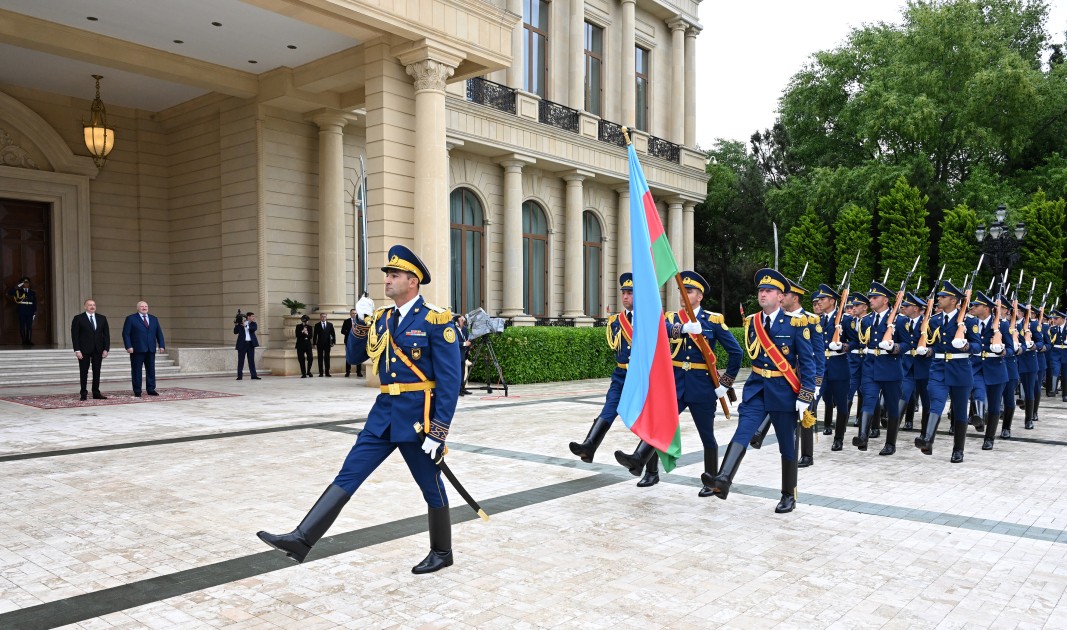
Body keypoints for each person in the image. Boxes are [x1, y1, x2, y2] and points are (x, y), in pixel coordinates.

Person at [257, 245, 461, 574]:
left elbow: (451, 383)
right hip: (383, 416)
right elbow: (354, 357)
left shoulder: (436, 320)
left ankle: (442, 551)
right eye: (387, 275)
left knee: (430, 485)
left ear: (413, 282)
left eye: (394, 275)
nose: (388, 280)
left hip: (417, 421)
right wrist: (360, 321)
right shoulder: (381, 318)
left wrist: (438, 431)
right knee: (349, 473)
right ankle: (302, 537)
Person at [705, 268, 815, 513]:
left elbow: (808, 361)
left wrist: (806, 395)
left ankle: (789, 494)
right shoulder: (752, 322)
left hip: (784, 391)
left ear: (780, 297)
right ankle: (723, 479)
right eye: (761, 291)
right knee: (743, 431)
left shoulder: (796, 324)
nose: (763, 295)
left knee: (787, 445)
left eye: (769, 291)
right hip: (756, 389)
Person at [750, 275, 823, 468]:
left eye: (787, 294)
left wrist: (815, 382)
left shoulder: (809, 319)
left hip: (799, 376)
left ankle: (806, 453)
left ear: (794, 297)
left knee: (804, 415)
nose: (783, 298)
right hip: (781, 377)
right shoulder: (775, 319)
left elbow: (817, 354)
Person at [572, 274, 635, 468]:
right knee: (609, 408)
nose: (625, 297)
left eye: (630, 293)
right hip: (621, 374)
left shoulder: (651, 319)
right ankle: (589, 446)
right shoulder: (616, 321)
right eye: (623, 293)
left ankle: (650, 470)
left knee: (646, 419)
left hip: (641, 377)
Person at [913, 281, 980, 462]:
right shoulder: (934, 321)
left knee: (959, 410)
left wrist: (966, 346)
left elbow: (978, 345)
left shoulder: (968, 321)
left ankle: (958, 450)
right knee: (936, 401)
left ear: (953, 300)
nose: (939, 299)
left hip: (960, 369)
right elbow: (935, 346)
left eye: (943, 297)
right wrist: (927, 351)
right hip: (938, 368)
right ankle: (927, 439)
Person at [853, 280, 910, 455]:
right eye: (870, 297)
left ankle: (890, 444)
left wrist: (895, 348)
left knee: (892, 407)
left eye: (874, 297)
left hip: (890, 368)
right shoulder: (867, 320)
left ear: (885, 300)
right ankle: (863, 436)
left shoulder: (900, 321)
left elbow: (907, 343)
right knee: (868, 400)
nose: (870, 300)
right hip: (870, 366)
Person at [966, 292, 1011, 450]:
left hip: (996, 368)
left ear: (986, 308)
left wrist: (1003, 351)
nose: (973, 308)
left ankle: (989, 438)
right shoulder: (969, 323)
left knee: (993, 406)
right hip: (976, 366)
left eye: (976, 305)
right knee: (976, 389)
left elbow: (1012, 348)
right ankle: (977, 415)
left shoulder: (1002, 325)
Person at [814, 284, 853, 451]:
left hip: (839, 367)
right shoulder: (819, 320)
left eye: (823, 299)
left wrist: (843, 346)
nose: (819, 302)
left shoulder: (845, 319)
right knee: (812, 401)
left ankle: (839, 438)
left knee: (842, 406)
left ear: (832, 301)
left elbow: (857, 341)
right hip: (821, 367)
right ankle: (807, 436)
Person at [121, 301, 166, 397]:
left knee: (151, 370)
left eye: (146, 306)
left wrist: (161, 345)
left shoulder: (154, 319)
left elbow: (159, 333)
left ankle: (151, 389)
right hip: (137, 349)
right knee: (137, 370)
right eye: (142, 306)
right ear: (137, 308)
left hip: (151, 349)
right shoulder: (131, 318)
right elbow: (126, 334)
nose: (144, 308)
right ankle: (137, 390)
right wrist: (128, 346)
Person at [71, 298, 110, 400]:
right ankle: (83, 393)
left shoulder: (102, 318)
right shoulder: (78, 318)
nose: (92, 307)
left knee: (97, 371)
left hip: (98, 349)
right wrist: (77, 350)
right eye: (90, 305)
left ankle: (96, 392)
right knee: (83, 372)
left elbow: (106, 335)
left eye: (94, 305)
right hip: (84, 350)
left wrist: (106, 349)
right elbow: (75, 336)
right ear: (85, 307)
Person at [7, 276, 36, 346]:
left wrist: (35, 311)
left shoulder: (32, 292)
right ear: (22, 284)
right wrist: (17, 286)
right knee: (22, 326)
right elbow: (9, 293)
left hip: (30, 311)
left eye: (27, 283)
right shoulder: (18, 291)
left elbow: (35, 303)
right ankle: (24, 341)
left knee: (29, 326)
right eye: (24, 283)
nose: (26, 284)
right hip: (22, 310)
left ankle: (28, 340)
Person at [234, 312, 260, 380]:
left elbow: (253, 329)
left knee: (251, 360)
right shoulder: (240, 324)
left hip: (251, 344)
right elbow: (235, 332)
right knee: (241, 361)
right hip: (242, 344)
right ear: (248, 317)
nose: (253, 317)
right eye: (252, 316)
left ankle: (254, 375)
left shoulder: (253, 324)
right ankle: (239, 376)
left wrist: (246, 326)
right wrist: (236, 324)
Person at [341, 308, 364, 378]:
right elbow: (342, 331)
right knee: (349, 356)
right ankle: (348, 372)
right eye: (353, 313)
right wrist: (351, 333)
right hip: (349, 341)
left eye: (355, 313)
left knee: (358, 356)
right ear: (350, 314)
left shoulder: (360, 321)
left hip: (358, 341)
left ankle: (358, 372)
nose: (354, 314)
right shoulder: (346, 321)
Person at [312, 312, 336, 376]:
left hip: (328, 344)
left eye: (324, 316)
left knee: (327, 358)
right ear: (320, 317)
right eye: (322, 316)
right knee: (320, 358)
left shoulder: (330, 325)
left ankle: (327, 372)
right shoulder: (317, 325)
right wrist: (314, 343)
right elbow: (315, 335)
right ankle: (321, 373)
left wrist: (333, 342)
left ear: (326, 317)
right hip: (319, 344)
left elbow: (333, 334)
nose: (323, 318)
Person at [454, 314, 473, 395]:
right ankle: (457, 390)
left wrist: (469, 347)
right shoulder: (453, 330)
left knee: (463, 372)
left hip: (464, 354)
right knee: (458, 373)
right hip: (457, 355)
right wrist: (465, 344)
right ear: (456, 322)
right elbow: (454, 343)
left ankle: (462, 388)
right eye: (462, 320)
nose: (463, 322)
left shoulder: (464, 329)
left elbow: (468, 339)